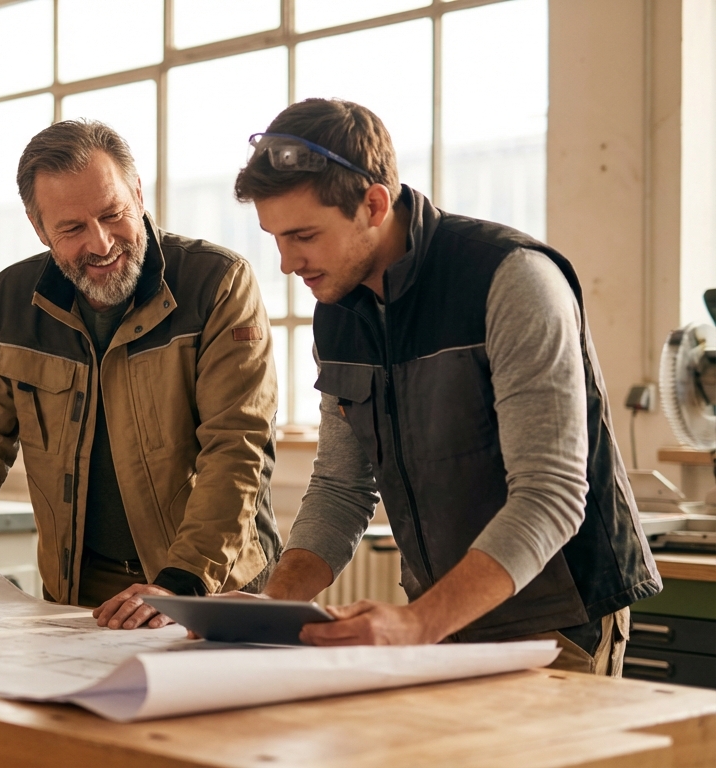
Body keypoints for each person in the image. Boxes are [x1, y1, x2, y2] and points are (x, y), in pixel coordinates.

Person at [233, 99, 658, 675]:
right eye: (275, 238)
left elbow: (550, 494)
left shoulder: (511, 279)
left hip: (556, 622)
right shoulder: (338, 311)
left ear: (374, 204)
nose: (286, 263)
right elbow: (340, 488)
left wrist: (416, 624)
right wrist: (268, 606)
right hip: (436, 622)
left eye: (303, 235)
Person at [0, 120, 282, 631]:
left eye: (113, 215)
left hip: (210, 586)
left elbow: (236, 445)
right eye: (71, 229)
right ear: (38, 226)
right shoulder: (12, 300)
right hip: (78, 596)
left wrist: (181, 585)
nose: (101, 242)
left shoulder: (218, 283)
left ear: (138, 193)